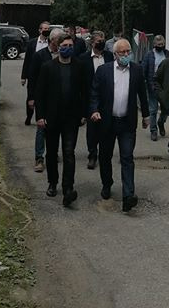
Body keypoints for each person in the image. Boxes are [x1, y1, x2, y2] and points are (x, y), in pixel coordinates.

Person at [89, 36, 150, 212]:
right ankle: (107, 184)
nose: (126, 54)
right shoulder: (103, 71)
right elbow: (94, 93)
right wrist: (94, 110)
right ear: (115, 54)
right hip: (107, 122)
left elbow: (142, 94)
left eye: (128, 51)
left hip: (127, 122)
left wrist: (146, 115)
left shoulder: (137, 70)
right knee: (105, 156)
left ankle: (128, 195)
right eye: (122, 52)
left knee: (127, 157)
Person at [34, 33, 88, 206]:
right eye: (64, 46)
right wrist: (40, 116)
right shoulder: (48, 67)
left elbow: (84, 92)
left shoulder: (79, 67)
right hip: (52, 118)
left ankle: (68, 188)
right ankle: (52, 182)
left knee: (69, 153)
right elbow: (40, 94)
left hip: (71, 118)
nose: (68, 48)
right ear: (58, 47)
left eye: (70, 46)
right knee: (51, 153)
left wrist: (84, 113)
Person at [27, 27, 64, 172]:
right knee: (42, 127)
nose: (60, 43)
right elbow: (33, 77)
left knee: (56, 127)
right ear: (52, 40)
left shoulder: (63, 55)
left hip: (59, 99)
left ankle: (52, 153)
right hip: (43, 97)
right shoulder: (40, 56)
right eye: (59, 40)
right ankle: (39, 157)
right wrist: (31, 97)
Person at [80, 30, 113, 169]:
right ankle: (92, 154)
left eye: (103, 40)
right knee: (92, 130)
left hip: (107, 98)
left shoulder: (109, 56)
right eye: (99, 41)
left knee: (106, 128)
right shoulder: (83, 59)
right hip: (90, 98)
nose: (102, 43)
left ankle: (104, 154)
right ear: (92, 43)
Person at [21, 21, 52, 125]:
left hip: (46, 74)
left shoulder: (50, 43)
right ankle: (29, 116)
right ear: (40, 30)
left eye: (48, 29)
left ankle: (41, 117)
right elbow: (27, 60)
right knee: (31, 96)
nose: (46, 31)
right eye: (45, 29)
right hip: (34, 74)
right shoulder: (32, 43)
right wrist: (23, 76)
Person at [142, 34, 168, 141]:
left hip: (165, 86)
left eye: (162, 44)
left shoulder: (167, 54)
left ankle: (161, 122)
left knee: (166, 109)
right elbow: (144, 70)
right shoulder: (149, 55)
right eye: (158, 44)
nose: (160, 46)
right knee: (153, 109)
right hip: (152, 85)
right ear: (154, 44)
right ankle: (153, 130)